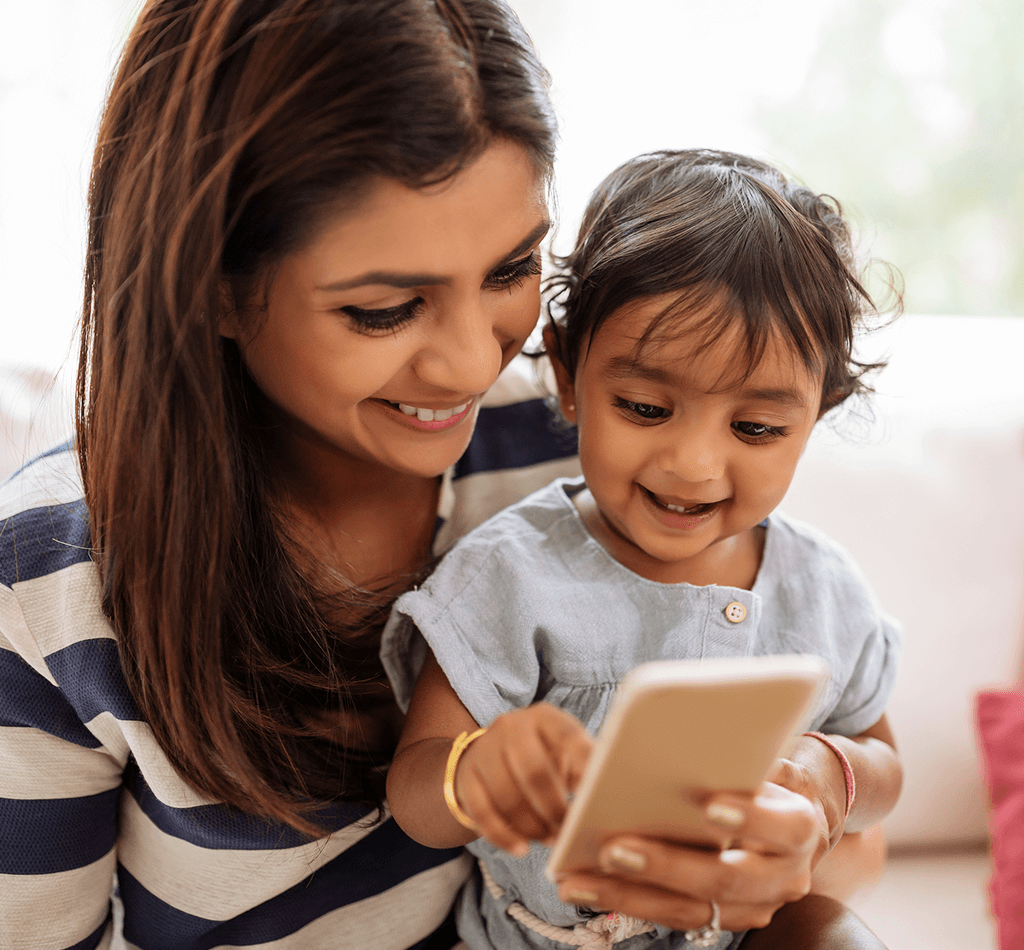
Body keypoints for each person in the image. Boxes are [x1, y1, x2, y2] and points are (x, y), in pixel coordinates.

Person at [0, 0, 890, 943]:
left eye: (512, 269)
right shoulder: (47, 583)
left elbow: (848, 849)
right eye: (385, 309)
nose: (473, 364)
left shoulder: (606, 444)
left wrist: (794, 832)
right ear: (211, 284)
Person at [383, 150, 904, 950]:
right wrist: (475, 771)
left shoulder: (823, 588)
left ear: (817, 415)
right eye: (645, 408)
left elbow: (885, 767)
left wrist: (831, 775)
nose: (692, 465)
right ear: (567, 376)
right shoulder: (509, 574)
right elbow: (414, 795)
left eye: (756, 427)